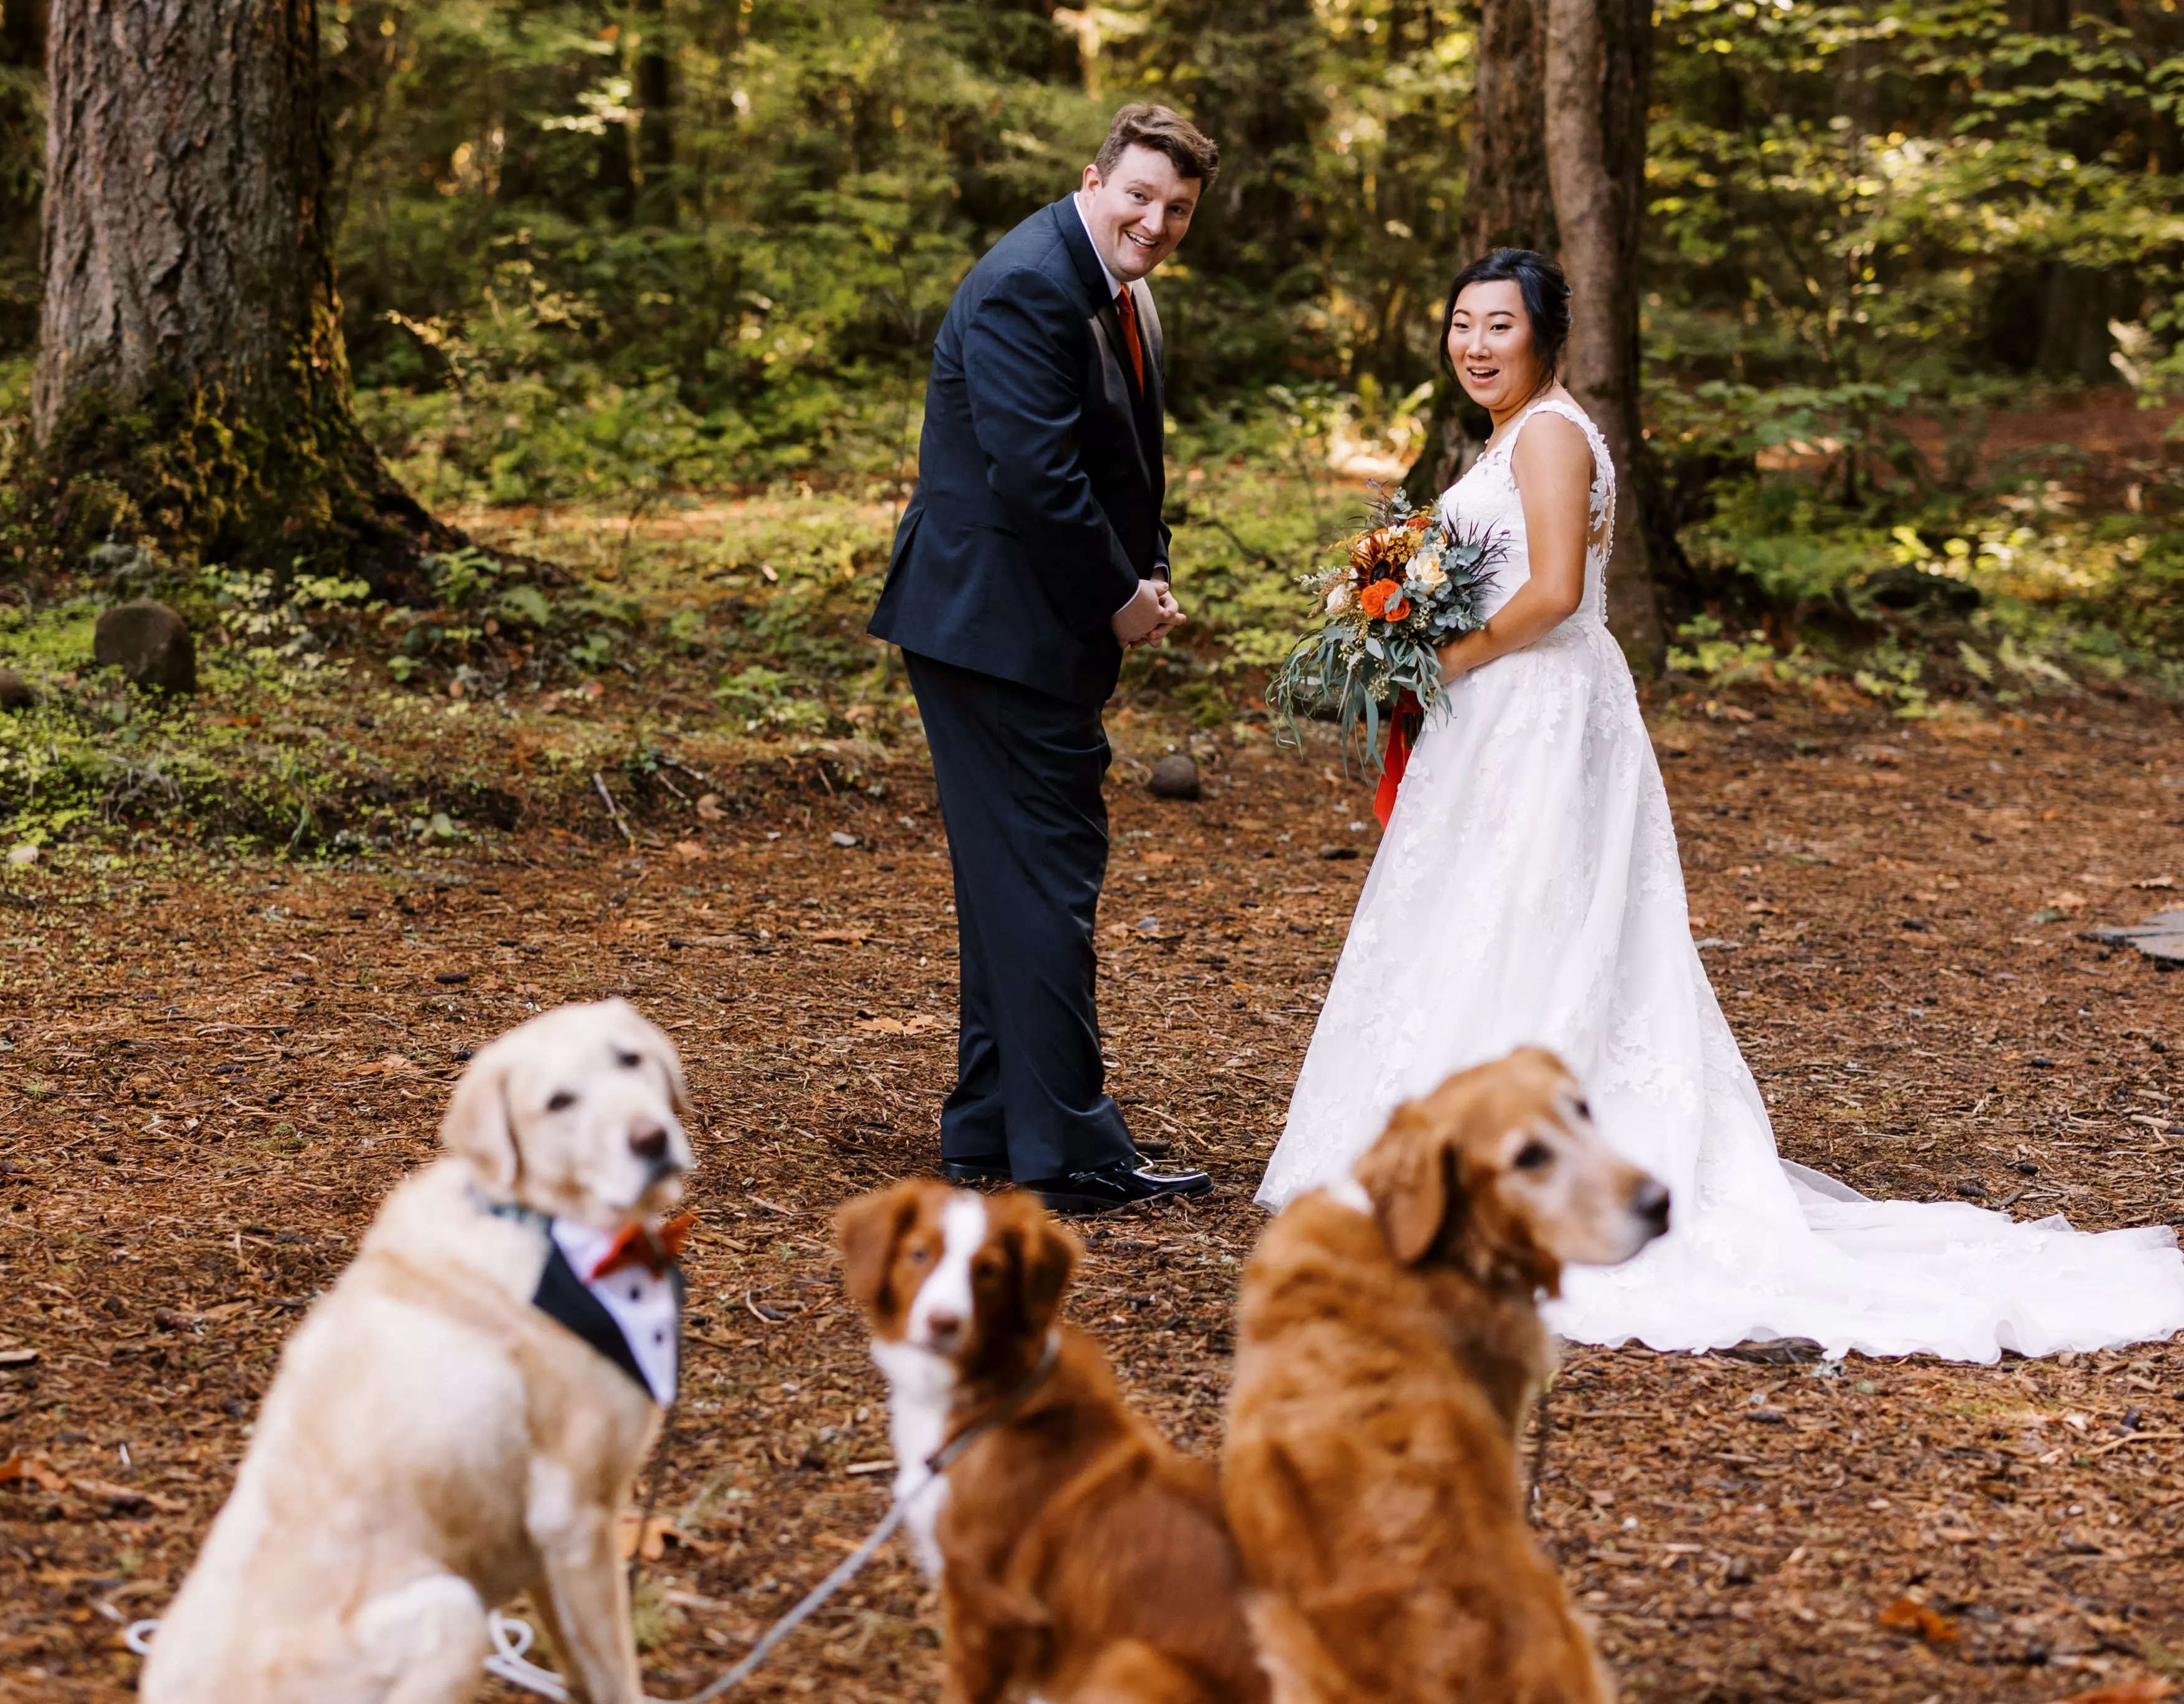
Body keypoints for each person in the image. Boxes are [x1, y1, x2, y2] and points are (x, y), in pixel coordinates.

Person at [1258, 248, 2184, 1360]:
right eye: (1462, 324)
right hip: (1510, 711)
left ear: (1545, 335)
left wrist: (1439, 659)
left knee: (1531, 918)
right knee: (1486, 915)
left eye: (1499, 326)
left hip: (1539, 709)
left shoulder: (1551, 433)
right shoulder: (1509, 436)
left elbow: (1553, 593)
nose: (1475, 345)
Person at [869, 104, 1219, 1215]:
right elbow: (1038, 477)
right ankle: (1070, 1152)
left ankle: (988, 1124)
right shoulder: (1030, 281)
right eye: (1140, 197)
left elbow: (1129, 468)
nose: (1156, 223)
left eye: (1177, 209)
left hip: (1020, 622)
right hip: (992, 625)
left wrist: (1146, 566)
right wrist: (1118, 600)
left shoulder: (1123, 291)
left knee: (1012, 881)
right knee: (1050, 878)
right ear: (1094, 178)